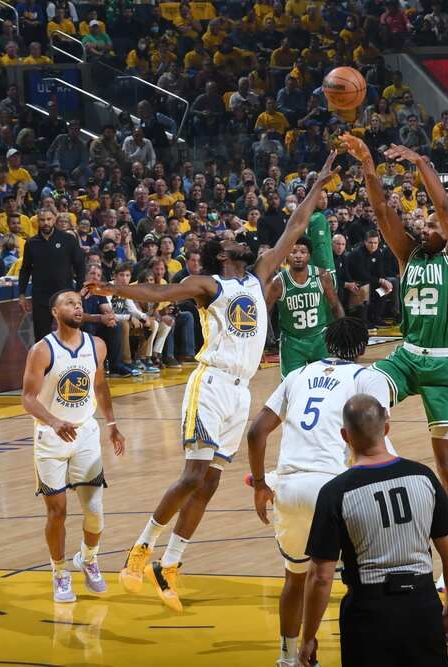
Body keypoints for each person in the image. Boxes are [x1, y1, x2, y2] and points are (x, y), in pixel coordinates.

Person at [84, 151, 340, 612]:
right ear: (224, 254)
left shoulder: (260, 276)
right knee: (192, 475)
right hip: (212, 381)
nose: (239, 236)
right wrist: (117, 290)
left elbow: (295, 227)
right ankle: (142, 548)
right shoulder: (209, 285)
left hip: (241, 390)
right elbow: (160, 293)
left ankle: (172, 565)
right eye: (230, 237)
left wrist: (318, 184)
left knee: (210, 484)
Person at [341, 134, 448, 591]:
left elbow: (441, 204)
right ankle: (385, 469)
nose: (427, 225)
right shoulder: (407, 254)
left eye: (434, 224)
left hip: (442, 367)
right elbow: (381, 213)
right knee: (361, 395)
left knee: (447, 463)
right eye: (425, 224)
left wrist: (419, 160)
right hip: (406, 357)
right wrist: (367, 165)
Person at [246, 318, 393, 667]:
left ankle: (286, 656)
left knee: (295, 579)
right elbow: (374, 440)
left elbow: (256, 434)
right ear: (362, 348)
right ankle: (367, 650)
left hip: (290, 486)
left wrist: (261, 483)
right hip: (334, 486)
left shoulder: (297, 375)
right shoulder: (365, 377)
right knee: (361, 577)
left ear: (327, 342)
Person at [296, 394, 448, 667]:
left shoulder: (335, 493)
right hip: (422, 605)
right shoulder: (423, 477)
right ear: (386, 429)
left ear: (344, 435)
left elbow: (320, 577)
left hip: (369, 614)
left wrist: (308, 637)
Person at [20, 290, 126, 602]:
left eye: (79, 304)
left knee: (94, 511)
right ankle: (59, 572)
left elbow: (100, 385)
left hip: (85, 433)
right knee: (57, 512)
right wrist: (53, 421)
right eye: (69, 303)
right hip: (50, 437)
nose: (77, 307)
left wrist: (112, 425)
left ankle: (89, 559)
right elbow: (27, 398)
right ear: (54, 312)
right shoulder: (42, 350)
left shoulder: (97, 345)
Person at [266, 237, 344, 378]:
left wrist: (344, 330)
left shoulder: (322, 275)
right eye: (293, 252)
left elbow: (335, 305)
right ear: (287, 256)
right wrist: (265, 339)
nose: (298, 255)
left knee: (326, 382)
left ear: (309, 255)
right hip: (292, 343)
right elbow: (265, 311)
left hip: (320, 339)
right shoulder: (278, 282)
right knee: (291, 387)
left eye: (303, 252)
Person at [19, 208, 87, 341]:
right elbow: (25, 269)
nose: (46, 223)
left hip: (64, 295)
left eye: (49, 219)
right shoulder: (31, 243)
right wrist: (21, 293)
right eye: (42, 220)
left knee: (71, 332)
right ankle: (46, 362)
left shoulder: (68, 239)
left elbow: (80, 265)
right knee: (42, 336)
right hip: (41, 296)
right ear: (37, 221)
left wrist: (79, 291)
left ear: (54, 219)